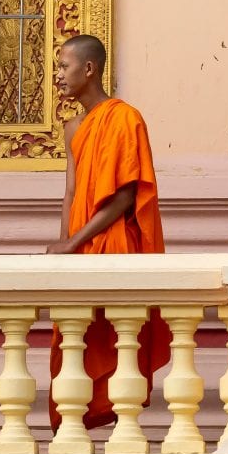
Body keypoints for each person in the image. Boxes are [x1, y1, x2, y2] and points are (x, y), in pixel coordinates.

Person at [44, 34, 170, 428]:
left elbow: (124, 199)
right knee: (75, 345)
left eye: (64, 67)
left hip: (115, 244)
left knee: (118, 343)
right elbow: (71, 192)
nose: (58, 76)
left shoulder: (125, 118)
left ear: (89, 68)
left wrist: (73, 243)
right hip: (80, 249)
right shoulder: (73, 128)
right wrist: (64, 247)